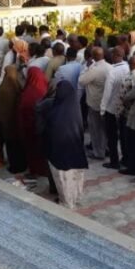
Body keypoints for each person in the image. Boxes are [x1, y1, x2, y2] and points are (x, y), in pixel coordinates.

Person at [39, 81, 88, 209]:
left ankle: (66, 202)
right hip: (76, 150)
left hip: (60, 155)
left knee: (63, 179)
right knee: (75, 176)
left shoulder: (56, 112)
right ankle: (76, 197)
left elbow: (49, 132)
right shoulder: (75, 107)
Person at [18, 67, 51, 183]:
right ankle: (44, 170)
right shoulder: (44, 87)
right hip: (44, 126)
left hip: (31, 127)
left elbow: (24, 110)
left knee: (33, 149)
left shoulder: (29, 92)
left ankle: (35, 171)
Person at [0, 65, 27, 184]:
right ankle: (21, 165)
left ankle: (15, 166)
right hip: (16, 122)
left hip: (8, 123)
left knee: (12, 146)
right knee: (18, 145)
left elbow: (0, 108)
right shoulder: (16, 85)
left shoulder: (4, 88)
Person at [79, 46, 110, 160]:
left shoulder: (94, 69)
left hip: (95, 103)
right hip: (106, 103)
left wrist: (87, 67)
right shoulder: (109, 67)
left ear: (94, 56)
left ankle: (98, 152)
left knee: (96, 129)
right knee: (104, 128)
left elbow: (81, 81)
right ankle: (105, 148)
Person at [101, 47, 129, 169]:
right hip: (124, 108)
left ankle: (114, 161)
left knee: (112, 136)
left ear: (116, 55)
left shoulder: (112, 71)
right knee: (124, 135)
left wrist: (102, 108)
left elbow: (107, 92)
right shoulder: (128, 67)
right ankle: (126, 159)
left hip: (111, 108)